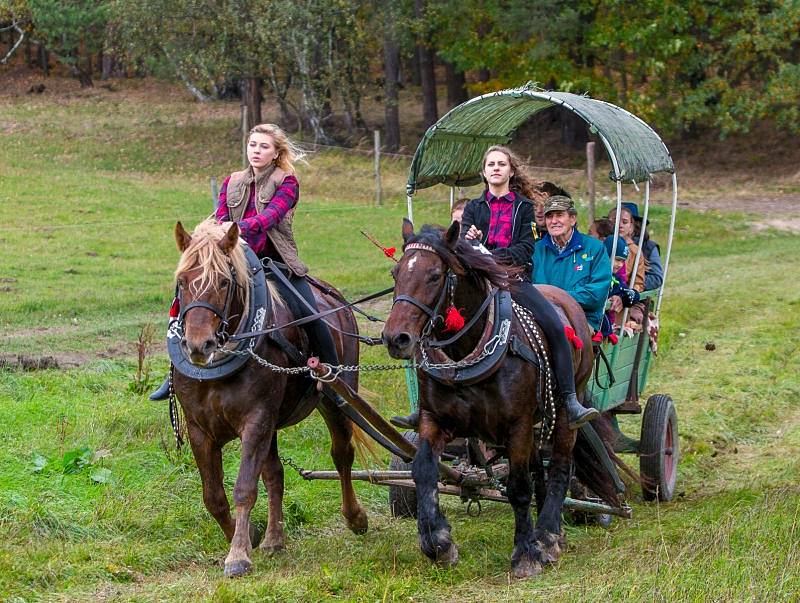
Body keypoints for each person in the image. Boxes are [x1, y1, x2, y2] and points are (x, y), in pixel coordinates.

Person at [392, 145, 598, 429]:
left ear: (511, 171)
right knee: (432, 330)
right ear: (484, 172)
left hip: (515, 281)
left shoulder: (524, 207)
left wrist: (489, 255)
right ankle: (425, 407)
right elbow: (459, 249)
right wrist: (472, 241)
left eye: (502, 164)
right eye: (491, 164)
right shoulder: (474, 208)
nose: (496, 168)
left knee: (553, 324)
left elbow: (526, 249)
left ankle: (569, 399)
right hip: (480, 284)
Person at [150, 123, 339, 400]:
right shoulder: (233, 181)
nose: (257, 151)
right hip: (233, 261)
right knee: (187, 300)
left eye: (264, 146)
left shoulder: (287, 182)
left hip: (275, 264)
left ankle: (332, 373)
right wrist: (213, 235)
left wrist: (232, 230)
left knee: (309, 313)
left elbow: (269, 218)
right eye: (253, 145)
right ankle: (174, 373)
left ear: (276, 153)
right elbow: (220, 214)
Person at [531, 196, 612, 334]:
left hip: (581, 318)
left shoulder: (595, 248)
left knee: (558, 335)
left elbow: (597, 294)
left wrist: (556, 299)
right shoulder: (535, 250)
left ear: (572, 219)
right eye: (549, 216)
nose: (554, 221)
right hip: (541, 316)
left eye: (560, 215)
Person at [593, 236, 640, 344]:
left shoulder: (614, 280)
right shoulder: (592, 274)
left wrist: (622, 298)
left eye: (623, 261)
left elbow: (633, 294)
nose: (620, 265)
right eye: (617, 260)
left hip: (602, 330)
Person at [607, 204, 646, 293]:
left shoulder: (635, 251)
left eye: (624, 222)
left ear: (631, 227)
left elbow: (638, 283)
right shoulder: (599, 245)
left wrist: (628, 294)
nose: (620, 225)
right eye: (615, 221)